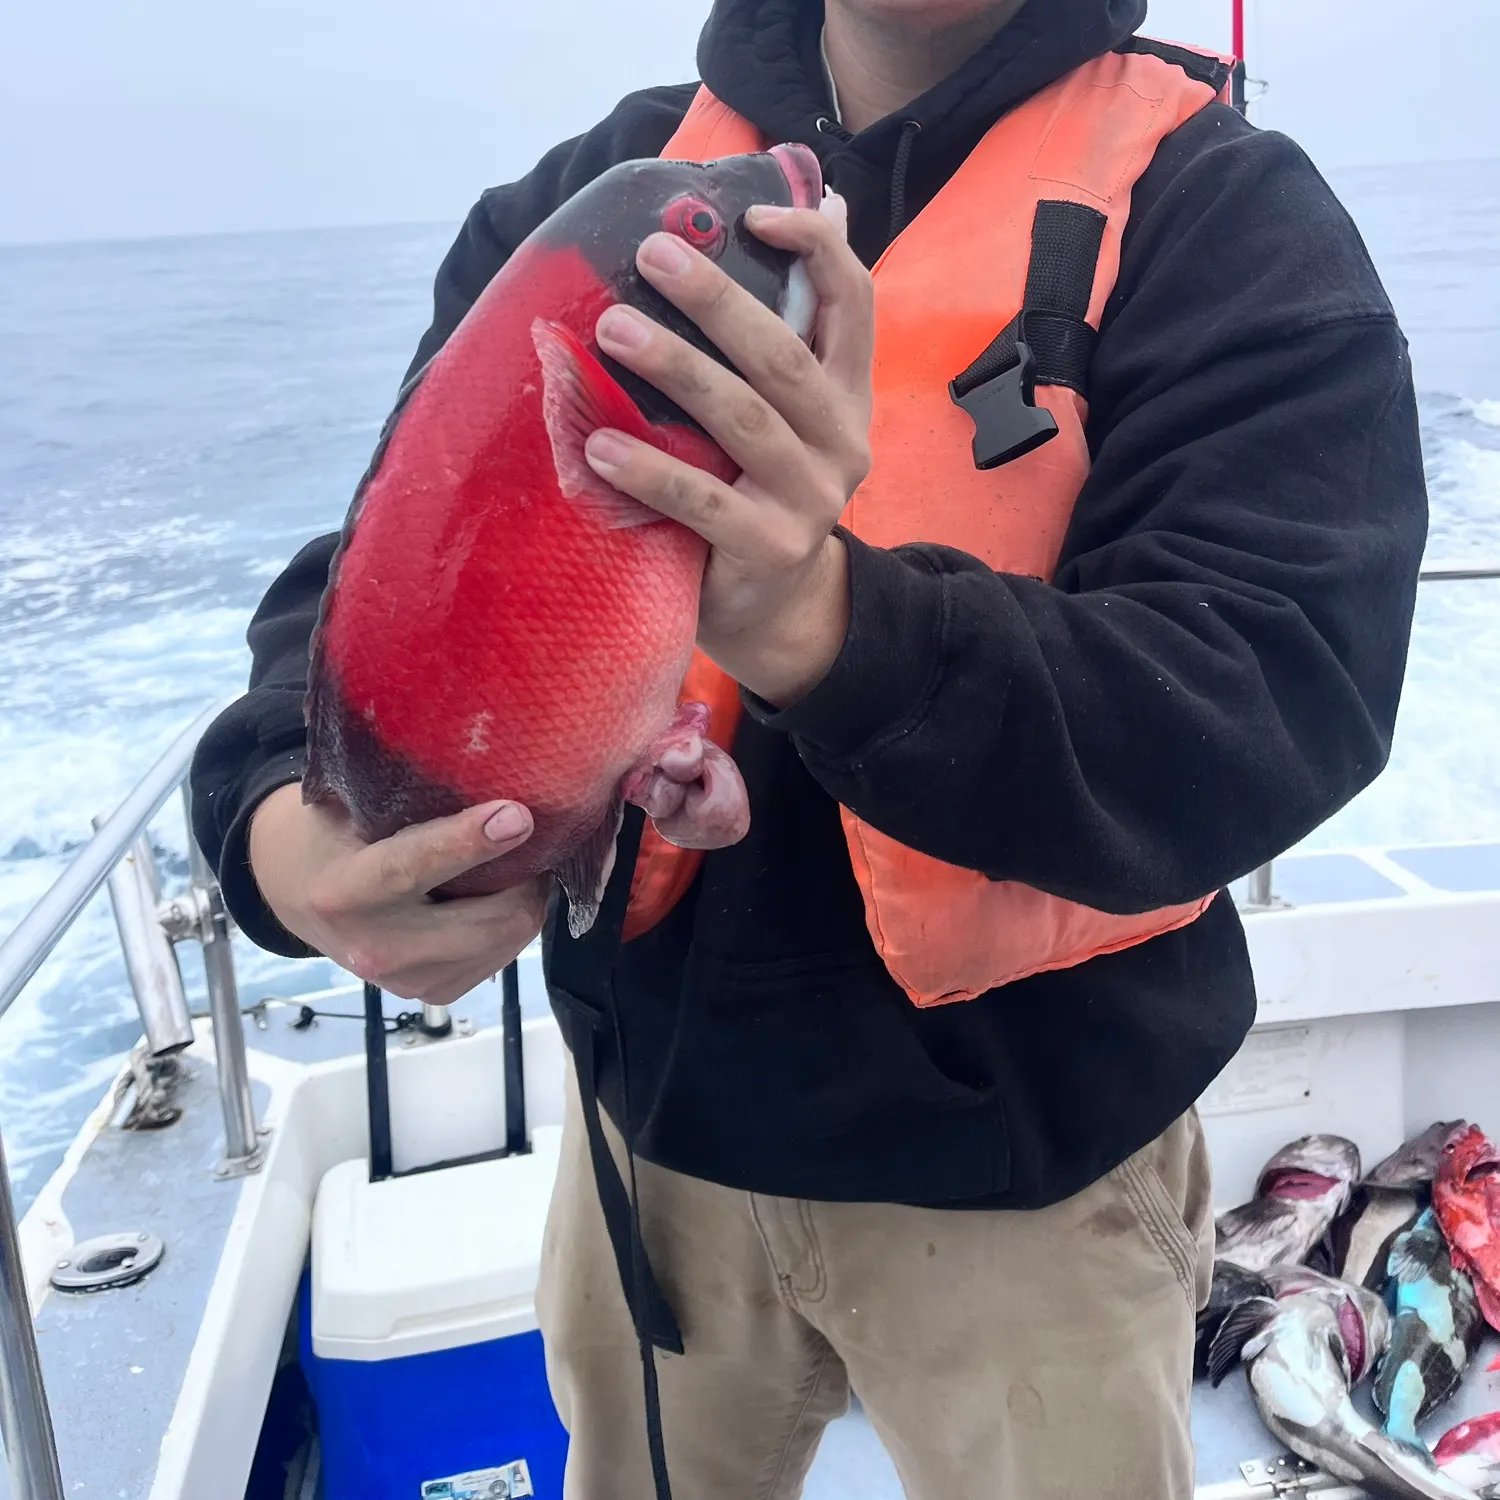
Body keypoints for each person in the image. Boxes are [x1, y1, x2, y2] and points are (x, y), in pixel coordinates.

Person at [190, 0, 1428, 1495]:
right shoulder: (605, 193)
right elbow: (389, 571)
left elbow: (1278, 697)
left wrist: (828, 624)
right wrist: (278, 829)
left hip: (1034, 1181)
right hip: (652, 1157)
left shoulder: (1226, 215)